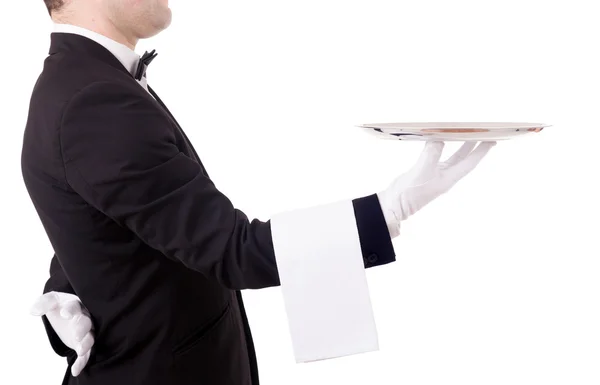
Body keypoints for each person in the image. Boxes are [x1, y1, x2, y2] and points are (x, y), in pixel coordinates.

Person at [21, 1, 496, 384]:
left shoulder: (83, 83)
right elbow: (233, 250)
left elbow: (108, 209)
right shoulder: (94, 100)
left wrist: (64, 285)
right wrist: (391, 209)